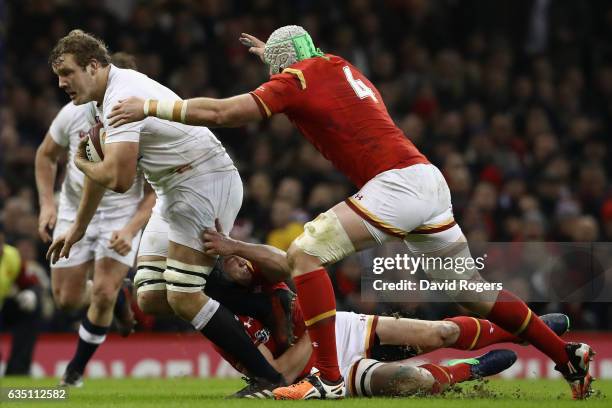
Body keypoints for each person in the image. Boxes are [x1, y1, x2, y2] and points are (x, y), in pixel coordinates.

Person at [108, 26, 594, 400]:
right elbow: (301, 68)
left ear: (286, 67)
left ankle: (328, 379)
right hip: (427, 179)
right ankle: (567, 355)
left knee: (303, 253)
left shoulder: (296, 78)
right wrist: (274, 55)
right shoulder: (337, 65)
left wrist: (152, 106)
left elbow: (224, 113)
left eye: (275, 69)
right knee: (472, 295)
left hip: (396, 185)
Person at [45, 30, 286, 390]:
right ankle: (258, 303)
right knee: (152, 297)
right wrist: (78, 228)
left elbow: (120, 179)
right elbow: (105, 172)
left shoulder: (120, 96)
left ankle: (268, 377)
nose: (61, 82)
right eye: (58, 75)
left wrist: (81, 163)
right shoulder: (100, 101)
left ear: (93, 66)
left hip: (204, 180)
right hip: (172, 189)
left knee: (184, 294)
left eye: (67, 73)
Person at [203, 222, 569, 399]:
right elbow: (278, 373)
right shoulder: (229, 323)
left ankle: (528, 331)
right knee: (414, 381)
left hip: (338, 329)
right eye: (227, 261)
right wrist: (317, 334)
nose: (237, 259)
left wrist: (235, 244)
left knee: (442, 333)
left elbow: (285, 262)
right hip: (312, 371)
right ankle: (464, 371)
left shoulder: (263, 277)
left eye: (235, 253)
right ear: (217, 278)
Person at [35, 52, 155, 387]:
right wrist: (47, 205)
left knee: (101, 291)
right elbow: (45, 155)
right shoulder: (73, 114)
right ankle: (118, 297)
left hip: (120, 215)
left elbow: (155, 190)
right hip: (74, 209)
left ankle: (73, 373)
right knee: (67, 299)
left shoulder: (146, 122)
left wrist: (132, 229)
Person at [0, 223, 43, 375]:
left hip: (3, 309)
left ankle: (17, 369)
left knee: (32, 308)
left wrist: (31, 293)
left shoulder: (11, 256)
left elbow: (30, 282)